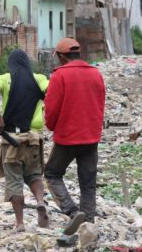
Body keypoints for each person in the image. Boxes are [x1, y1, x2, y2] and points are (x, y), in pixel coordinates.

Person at [43, 38, 105, 235]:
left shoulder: (59, 76)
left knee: (52, 174)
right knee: (88, 183)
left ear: (62, 57)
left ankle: (72, 212)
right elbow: (100, 104)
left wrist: (51, 126)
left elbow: (51, 109)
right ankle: (88, 226)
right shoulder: (96, 74)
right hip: (91, 137)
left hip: (67, 137)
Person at [0, 49, 50, 232]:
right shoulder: (38, 78)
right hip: (33, 138)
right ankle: (40, 202)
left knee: (14, 180)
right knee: (34, 175)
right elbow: (52, 90)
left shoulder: (5, 78)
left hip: (11, 139)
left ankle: (20, 223)